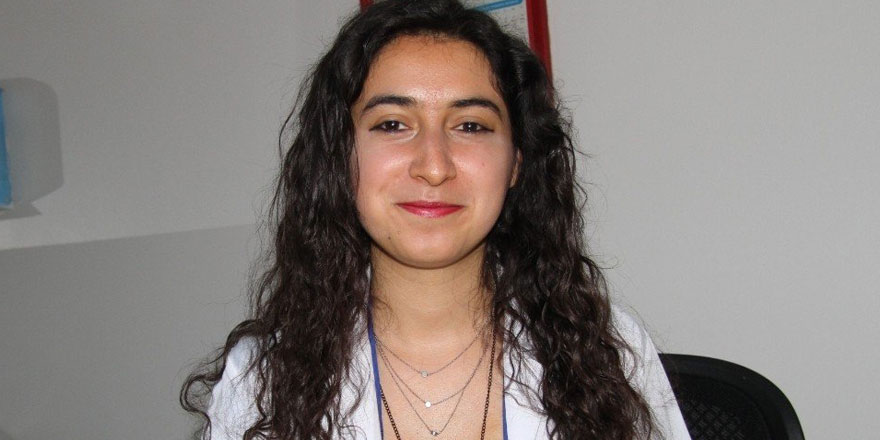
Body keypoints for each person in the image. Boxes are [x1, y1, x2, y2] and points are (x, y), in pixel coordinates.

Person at [180, 1, 691, 439]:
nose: (433, 165)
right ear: (339, 157)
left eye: (470, 126)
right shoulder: (262, 378)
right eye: (392, 124)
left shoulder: (608, 351)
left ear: (516, 162)